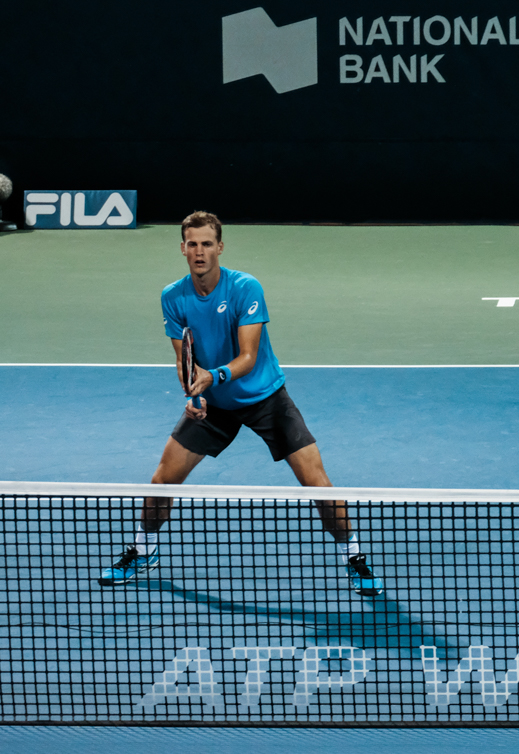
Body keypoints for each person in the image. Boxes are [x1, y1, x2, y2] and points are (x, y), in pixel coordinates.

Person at [97, 211, 383, 596]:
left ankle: (355, 558)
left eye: (207, 244)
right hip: (213, 404)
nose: (200, 252)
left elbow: (247, 358)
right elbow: (185, 360)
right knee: (162, 480)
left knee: (317, 483)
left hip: (265, 398)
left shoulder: (245, 288)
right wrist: (195, 396)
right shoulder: (173, 297)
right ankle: (143, 550)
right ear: (183, 248)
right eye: (192, 244)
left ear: (220, 247)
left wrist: (209, 379)